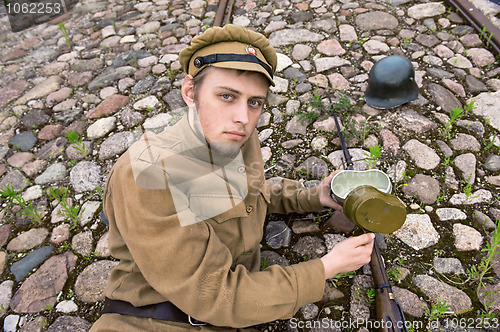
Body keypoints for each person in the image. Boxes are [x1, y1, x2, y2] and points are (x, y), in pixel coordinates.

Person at [90, 24, 374, 332]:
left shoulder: (233, 135)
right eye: (227, 96)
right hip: (151, 319)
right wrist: (325, 268)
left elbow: (250, 192)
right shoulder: (147, 174)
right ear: (190, 92)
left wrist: (311, 196)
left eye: (255, 102)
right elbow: (218, 296)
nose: (243, 117)